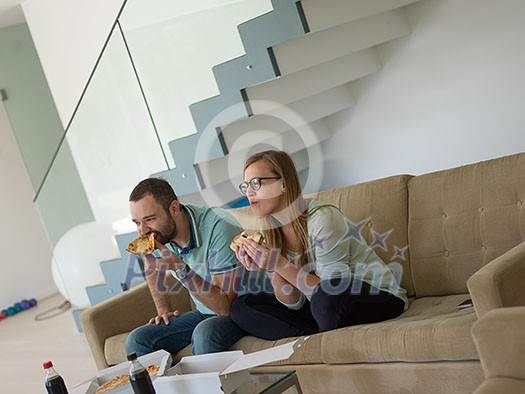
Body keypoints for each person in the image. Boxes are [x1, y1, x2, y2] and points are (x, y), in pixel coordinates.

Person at [229, 150, 408, 340]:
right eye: (246, 185)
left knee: (324, 298)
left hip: (376, 296)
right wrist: (271, 268)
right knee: (242, 307)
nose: (249, 192)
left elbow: (332, 289)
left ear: (283, 184)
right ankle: (312, 339)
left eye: (257, 183)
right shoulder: (269, 231)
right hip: (321, 304)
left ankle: (319, 334)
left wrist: (278, 263)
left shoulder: (322, 218)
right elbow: (294, 302)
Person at [125, 178, 266, 356]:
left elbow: (224, 307)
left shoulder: (219, 226)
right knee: (138, 340)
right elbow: (150, 264)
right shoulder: (160, 236)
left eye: (150, 219)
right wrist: (163, 310)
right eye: (137, 223)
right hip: (206, 312)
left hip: (245, 307)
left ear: (174, 209)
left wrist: (180, 268)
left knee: (204, 334)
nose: (143, 231)